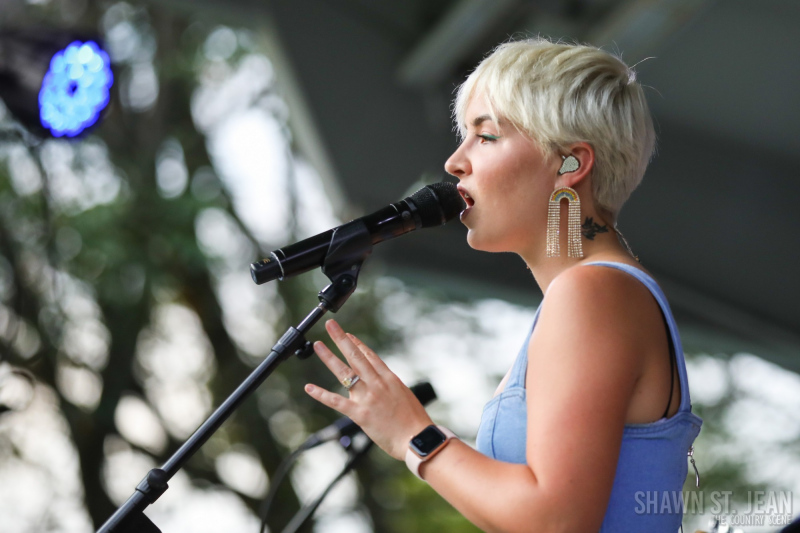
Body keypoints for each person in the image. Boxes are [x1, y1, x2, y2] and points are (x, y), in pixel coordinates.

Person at [304, 37, 703, 533]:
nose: (455, 162)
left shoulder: (592, 293)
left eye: (485, 136)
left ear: (570, 164)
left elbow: (556, 520)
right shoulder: (592, 294)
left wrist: (414, 435)